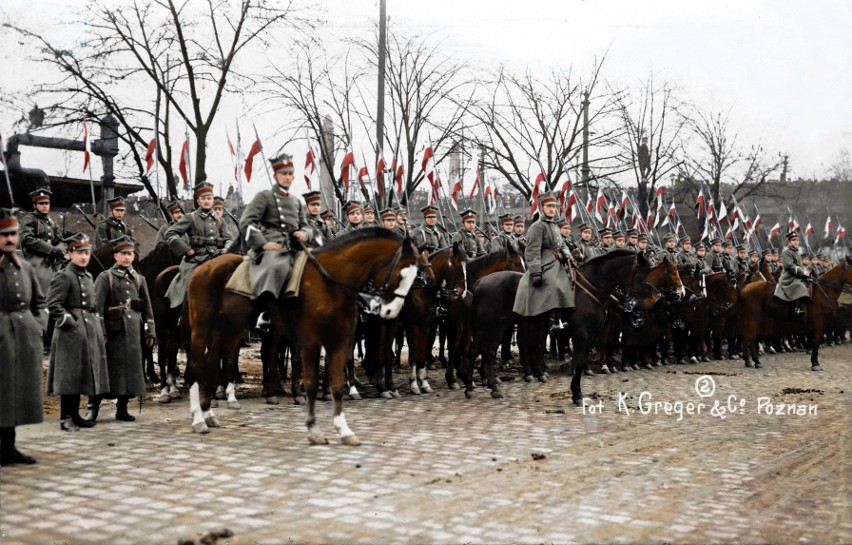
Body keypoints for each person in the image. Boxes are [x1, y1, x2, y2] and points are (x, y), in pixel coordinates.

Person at [87, 236, 156, 423]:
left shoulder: (139, 279)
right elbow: (97, 308)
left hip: (133, 332)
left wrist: (150, 331)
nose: (127, 258)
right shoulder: (105, 277)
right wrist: (100, 331)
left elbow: (148, 309)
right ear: (115, 256)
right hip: (112, 331)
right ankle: (93, 408)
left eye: (130, 254)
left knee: (130, 370)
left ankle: (122, 408)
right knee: (106, 369)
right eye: (123, 254)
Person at [45, 233, 109, 432]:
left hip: (88, 329)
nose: (84, 257)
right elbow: (52, 304)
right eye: (79, 253)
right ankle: (66, 418)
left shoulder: (88, 276)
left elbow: (94, 305)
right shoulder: (64, 275)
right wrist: (68, 322)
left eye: (87, 253)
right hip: (69, 332)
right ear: (70, 254)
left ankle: (76, 415)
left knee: (81, 373)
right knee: (69, 374)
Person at [0, 208, 47, 465]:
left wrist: (37, 324)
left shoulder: (25, 267)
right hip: (2, 338)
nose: (9, 239)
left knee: (17, 392)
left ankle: (9, 447)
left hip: (25, 337)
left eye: (13, 234)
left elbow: (40, 301)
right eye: (4, 234)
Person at [238, 153, 308, 301]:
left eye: (290, 174)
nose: (287, 177)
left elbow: (306, 226)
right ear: (275, 175)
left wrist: (305, 234)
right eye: (283, 174)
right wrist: (263, 243)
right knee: (275, 267)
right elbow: (246, 222)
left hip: (296, 246)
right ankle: (265, 310)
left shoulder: (296, 201)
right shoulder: (264, 197)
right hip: (273, 244)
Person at [164, 182, 234, 308]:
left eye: (209, 198)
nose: (206, 201)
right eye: (203, 198)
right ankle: (183, 313)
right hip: (196, 259)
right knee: (188, 285)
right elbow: (170, 234)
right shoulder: (190, 218)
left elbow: (229, 238)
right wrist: (186, 250)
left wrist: (227, 247)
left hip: (217, 257)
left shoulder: (220, 220)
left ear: (213, 200)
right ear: (198, 201)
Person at [512, 191, 574, 316]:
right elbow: (532, 251)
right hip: (545, 263)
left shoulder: (555, 226)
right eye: (549, 206)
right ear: (541, 208)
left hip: (558, 261)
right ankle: (552, 320)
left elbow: (562, 245)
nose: (552, 209)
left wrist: (568, 255)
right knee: (553, 283)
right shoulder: (537, 226)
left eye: (554, 206)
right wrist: (536, 272)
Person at [19, 188, 66, 294]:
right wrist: (50, 249)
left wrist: (59, 249)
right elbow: (27, 239)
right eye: (41, 203)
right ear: (34, 205)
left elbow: (62, 240)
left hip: (54, 260)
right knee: (43, 280)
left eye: (47, 203)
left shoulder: (52, 223)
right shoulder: (29, 219)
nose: (45, 206)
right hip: (36, 260)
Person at [774, 231, 811, 316]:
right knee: (800, 286)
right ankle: (796, 308)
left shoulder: (797, 253)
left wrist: (806, 272)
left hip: (797, 276)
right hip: (789, 278)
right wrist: (802, 272)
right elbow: (789, 266)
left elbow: (800, 266)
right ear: (789, 242)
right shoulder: (787, 253)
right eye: (793, 240)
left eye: (797, 240)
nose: (796, 242)